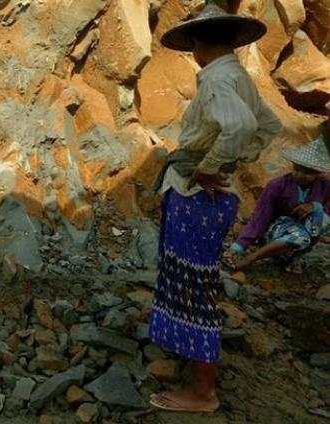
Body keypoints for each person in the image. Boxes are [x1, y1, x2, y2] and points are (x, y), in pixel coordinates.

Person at [148, 0, 282, 413]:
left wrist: (209, 167)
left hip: (198, 195)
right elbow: (270, 126)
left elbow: (239, 126)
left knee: (193, 286)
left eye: (192, 44)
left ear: (199, 45)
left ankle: (202, 391)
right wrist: (234, 161)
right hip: (212, 196)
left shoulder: (216, 80)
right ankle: (191, 359)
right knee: (196, 280)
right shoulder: (238, 75)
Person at [230, 128, 330, 271]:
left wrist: (315, 206)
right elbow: (260, 218)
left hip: (306, 232)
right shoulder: (277, 185)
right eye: (298, 169)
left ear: (318, 173)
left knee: (321, 219)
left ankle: (294, 256)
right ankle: (250, 259)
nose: (301, 175)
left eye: (308, 172)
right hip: (275, 230)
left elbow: (325, 216)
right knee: (302, 237)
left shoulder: (325, 186)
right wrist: (238, 247)